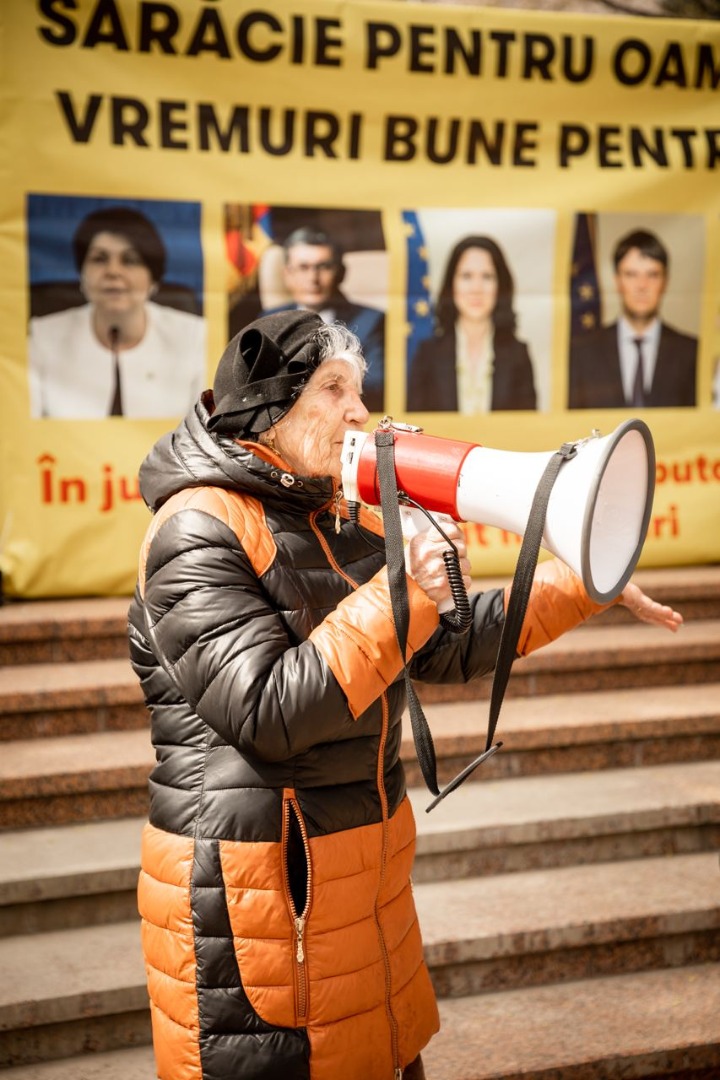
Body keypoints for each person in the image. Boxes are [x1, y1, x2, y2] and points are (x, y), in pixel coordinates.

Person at [127, 310, 681, 1080]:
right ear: (266, 408)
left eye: (359, 390)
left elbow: (442, 648)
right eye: (332, 390)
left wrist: (580, 581)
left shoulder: (335, 514)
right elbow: (267, 712)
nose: (360, 412)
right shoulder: (196, 529)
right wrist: (404, 589)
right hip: (256, 900)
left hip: (357, 875)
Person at [28, 206, 206, 419]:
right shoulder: (42, 337)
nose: (113, 271)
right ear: (81, 274)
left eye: (129, 260)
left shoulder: (195, 337)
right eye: (99, 259)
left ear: (153, 278)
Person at [568, 229, 697, 409]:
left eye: (652, 275)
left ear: (665, 281)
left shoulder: (692, 352)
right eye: (631, 274)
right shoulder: (582, 352)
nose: (642, 285)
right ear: (617, 281)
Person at [407, 235, 537, 413]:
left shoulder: (518, 354)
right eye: (466, 276)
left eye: (487, 276)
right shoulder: (427, 353)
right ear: (451, 284)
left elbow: (528, 428)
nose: (476, 288)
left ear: (500, 286)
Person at [262, 226, 386, 412]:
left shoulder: (372, 320)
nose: (313, 278)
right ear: (287, 274)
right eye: (303, 267)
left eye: (324, 267)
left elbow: (374, 385)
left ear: (340, 273)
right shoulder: (268, 320)